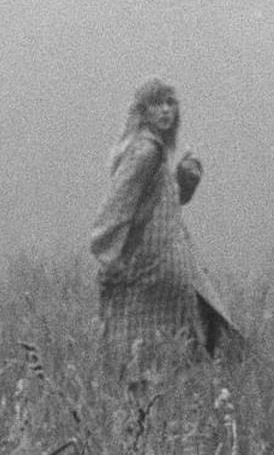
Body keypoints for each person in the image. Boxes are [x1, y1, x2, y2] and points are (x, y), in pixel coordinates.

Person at [91, 78, 242, 376]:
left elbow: (161, 202)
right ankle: (184, 382)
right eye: (157, 103)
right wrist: (108, 256)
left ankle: (170, 384)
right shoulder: (146, 152)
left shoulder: (153, 151)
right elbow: (117, 206)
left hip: (164, 259)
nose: (165, 110)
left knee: (157, 333)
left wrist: (184, 178)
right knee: (175, 330)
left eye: (170, 103)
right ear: (143, 111)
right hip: (152, 263)